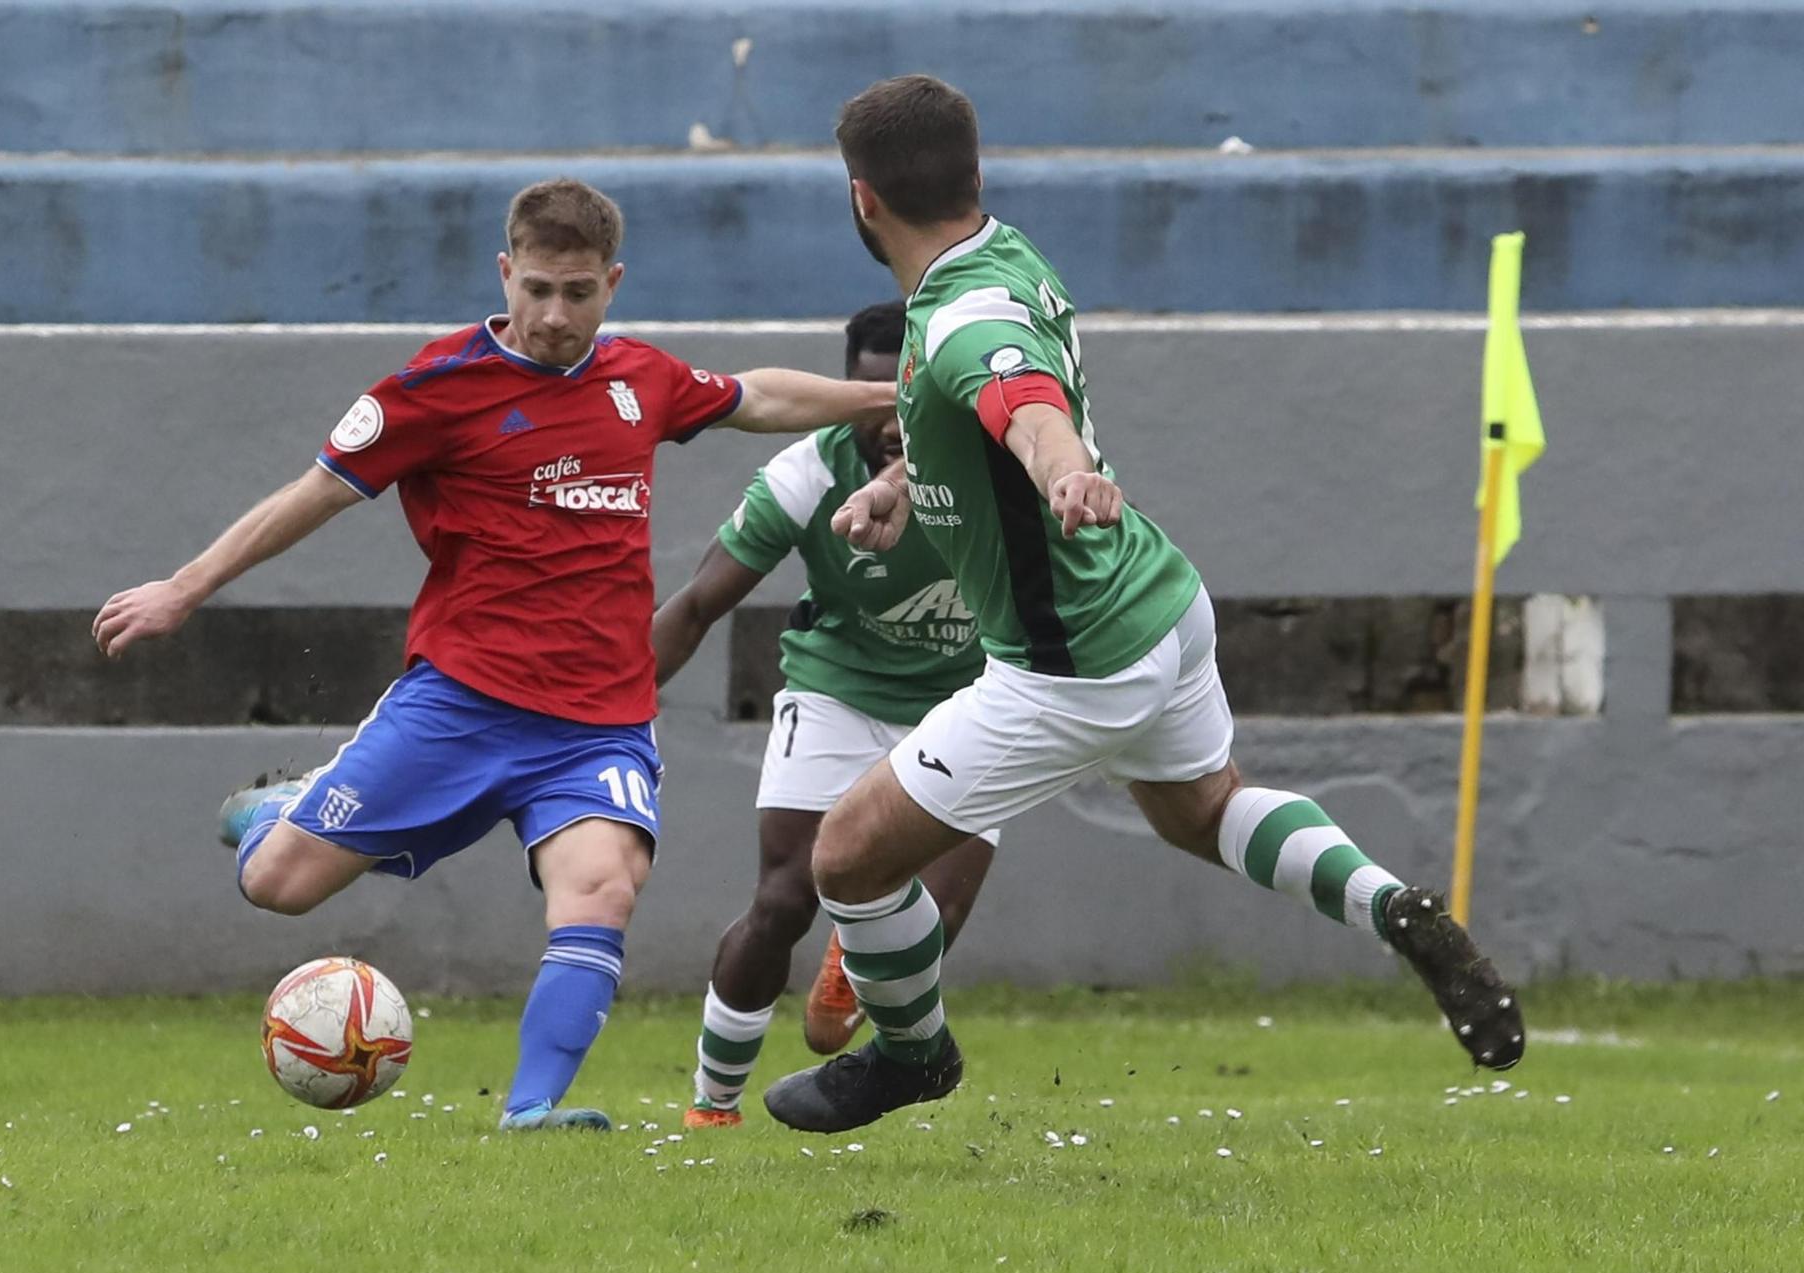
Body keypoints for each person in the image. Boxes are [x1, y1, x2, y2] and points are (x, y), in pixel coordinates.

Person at [762, 77, 1526, 1134]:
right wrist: (901, 486)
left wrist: (1060, 466)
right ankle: (1390, 902)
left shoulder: (963, 313)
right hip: (1157, 602)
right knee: (1203, 809)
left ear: (860, 201)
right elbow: (975, 408)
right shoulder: (1003, 255)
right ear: (976, 177)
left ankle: (909, 1053)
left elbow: (1019, 400)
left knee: (846, 853)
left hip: (1067, 662)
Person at [90, 178, 895, 1132]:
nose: (557, 315)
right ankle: (283, 811)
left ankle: (531, 1111)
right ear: (506, 274)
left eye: (581, 293)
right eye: (541, 289)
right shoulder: (435, 389)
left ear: (614, 283)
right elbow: (311, 493)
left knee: (603, 885)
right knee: (280, 888)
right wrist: (185, 587)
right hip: (460, 705)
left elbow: (758, 396)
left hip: (597, 722)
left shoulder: (640, 381)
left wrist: (897, 392)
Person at [652, 301, 1000, 1130]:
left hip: (972, 705)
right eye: (869, 398)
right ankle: (713, 1106)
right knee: (782, 899)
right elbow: (699, 603)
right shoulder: (806, 476)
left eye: (906, 398)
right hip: (837, 691)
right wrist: (605, 708)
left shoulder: (1003, 466)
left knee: (939, 915)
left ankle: (860, 953)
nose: (889, 420)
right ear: (844, 391)